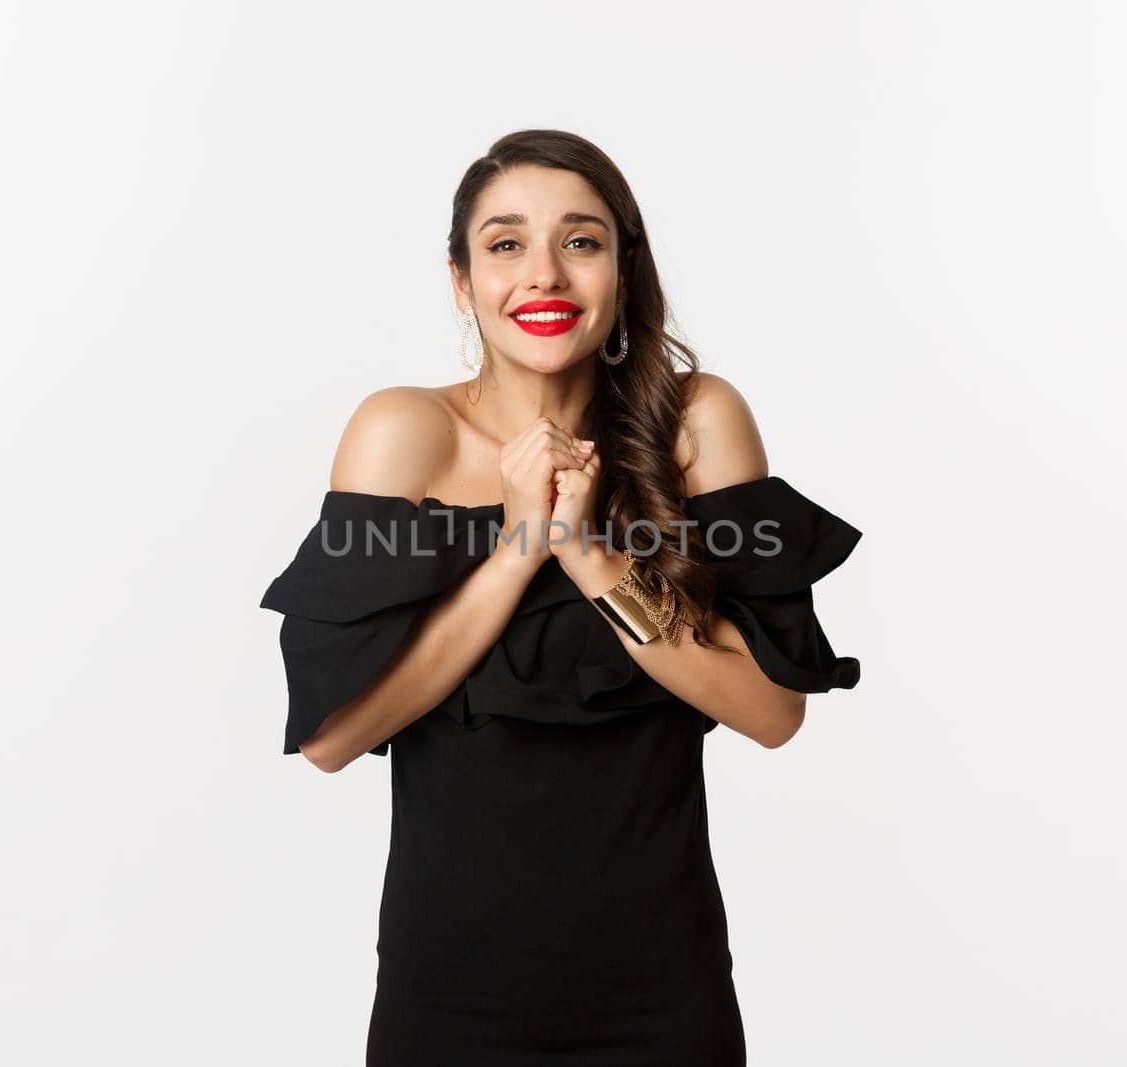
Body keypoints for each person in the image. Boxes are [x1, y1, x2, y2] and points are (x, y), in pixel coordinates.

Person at [260, 129, 863, 1066]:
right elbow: (333, 739)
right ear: (462, 281)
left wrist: (589, 556)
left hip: (663, 992)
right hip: (449, 993)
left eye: (580, 242)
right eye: (505, 245)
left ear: (624, 269)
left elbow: (772, 710)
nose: (543, 274)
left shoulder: (698, 425)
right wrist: (516, 548)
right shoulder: (403, 432)